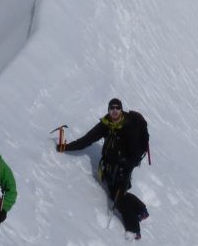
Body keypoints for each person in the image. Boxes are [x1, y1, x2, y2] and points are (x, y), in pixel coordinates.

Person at [58, 97, 149, 238]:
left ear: (121, 110)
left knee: (119, 199)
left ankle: (133, 231)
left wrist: (125, 174)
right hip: (109, 166)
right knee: (115, 194)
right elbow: (87, 139)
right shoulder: (106, 124)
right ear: (108, 110)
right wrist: (66, 147)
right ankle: (141, 210)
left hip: (124, 167)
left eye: (117, 108)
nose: (114, 111)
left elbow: (135, 155)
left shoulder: (128, 128)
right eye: (112, 108)